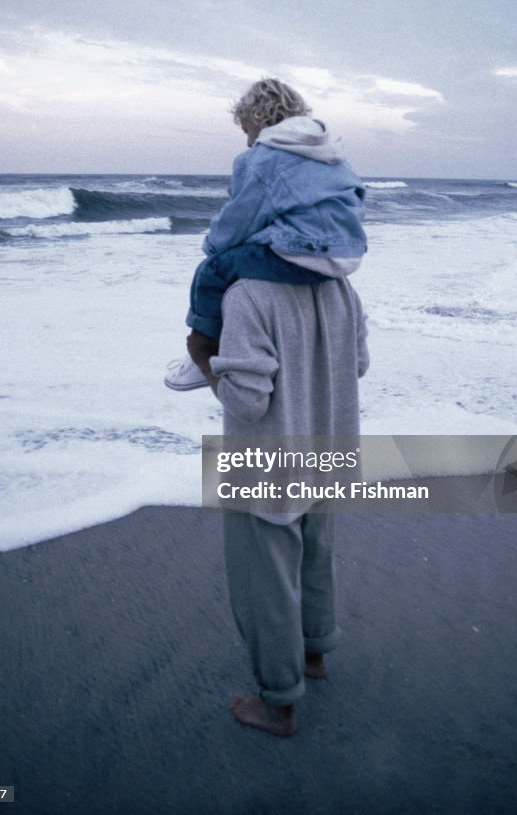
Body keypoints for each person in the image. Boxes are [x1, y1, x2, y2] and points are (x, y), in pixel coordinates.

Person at [188, 273, 369, 736]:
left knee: (265, 587)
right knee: (315, 558)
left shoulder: (247, 294)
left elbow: (248, 402)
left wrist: (204, 359)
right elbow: (359, 364)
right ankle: (314, 654)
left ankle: (279, 704)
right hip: (328, 445)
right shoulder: (340, 285)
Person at [165, 78, 366, 390]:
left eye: (246, 130)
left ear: (259, 118)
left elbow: (238, 221)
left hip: (301, 254)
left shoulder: (260, 158)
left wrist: (212, 246)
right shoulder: (335, 156)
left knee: (211, 271)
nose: (247, 142)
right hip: (347, 255)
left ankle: (201, 355)